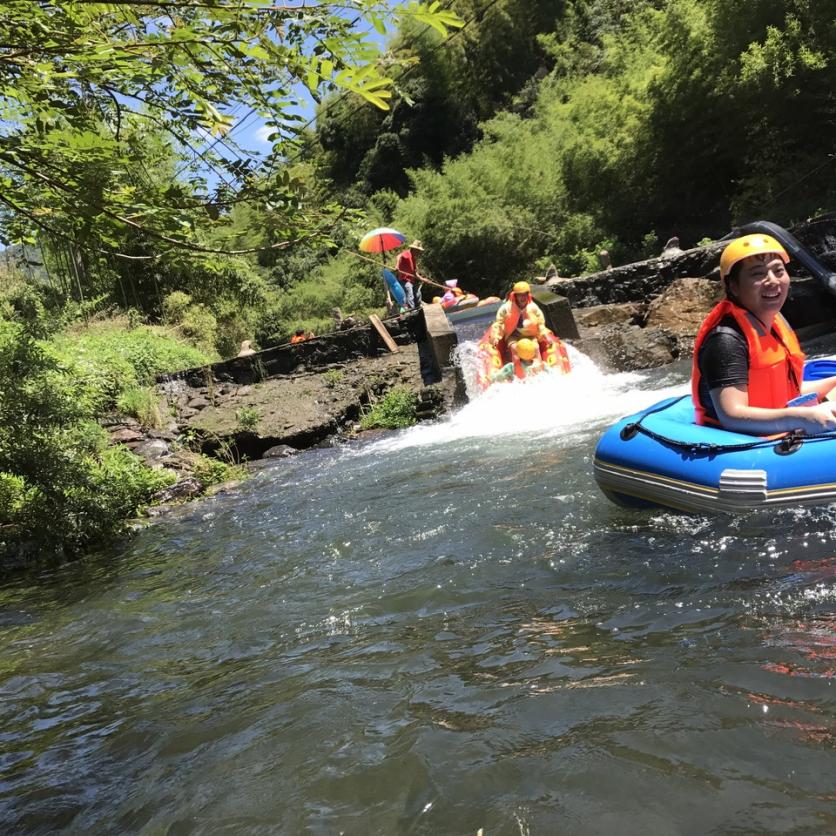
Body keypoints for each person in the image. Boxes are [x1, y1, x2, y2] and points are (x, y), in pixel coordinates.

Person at [692, 233, 836, 435]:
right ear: (733, 286)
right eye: (758, 274)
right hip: (742, 447)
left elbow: (785, 392)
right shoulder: (725, 340)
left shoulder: (775, 322)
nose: (772, 280)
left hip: (777, 426)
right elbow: (732, 416)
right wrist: (803, 417)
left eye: (778, 271)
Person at [489, 280, 548, 362]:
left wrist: (544, 334)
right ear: (515, 296)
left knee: (536, 348)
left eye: (525, 295)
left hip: (530, 335)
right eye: (520, 295)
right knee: (515, 349)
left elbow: (541, 323)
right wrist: (496, 336)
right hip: (513, 335)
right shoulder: (506, 308)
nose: (523, 297)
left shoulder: (533, 307)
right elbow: (499, 323)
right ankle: (518, 370)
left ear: (528, 295)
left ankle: (539, 367)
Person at [395, 239, 426, 309]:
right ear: (413, 249)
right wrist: (397, 266)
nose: (419, 252)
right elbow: (398, 256)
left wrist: (423, 279)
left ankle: (418, 308)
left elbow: (415, 274)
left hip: (411, 280)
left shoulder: (413, 259)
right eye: (418, 251)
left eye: (419, 251)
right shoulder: (407, 254)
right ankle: (411, 310)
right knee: (409, 291)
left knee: (418, 293)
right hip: (403, 280)